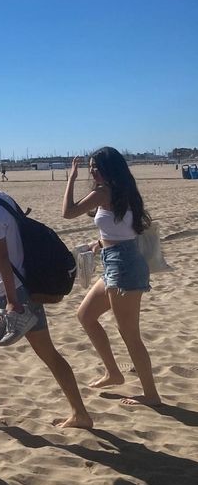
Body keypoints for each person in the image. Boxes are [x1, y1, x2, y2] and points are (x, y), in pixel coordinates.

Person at [0, 166, 92, 428]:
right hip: (24, 287)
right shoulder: (3, 197)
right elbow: (13, 249)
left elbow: (2, 256)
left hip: (10, 294)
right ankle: (80, 413)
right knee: (49, 354)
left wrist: (9, 299)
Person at [62, 148, 160, 407]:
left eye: (96, 167)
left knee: (130, 334)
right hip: (116, 261)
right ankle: (113, 373)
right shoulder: (123, 189)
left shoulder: (104, 191)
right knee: (85, 315)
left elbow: (68, 212)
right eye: (90, 167)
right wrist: (99, 243)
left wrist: (71, 178)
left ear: (109, 168)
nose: (92, 171)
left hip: (124, 266)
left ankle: (152, 395)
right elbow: (123, 229)